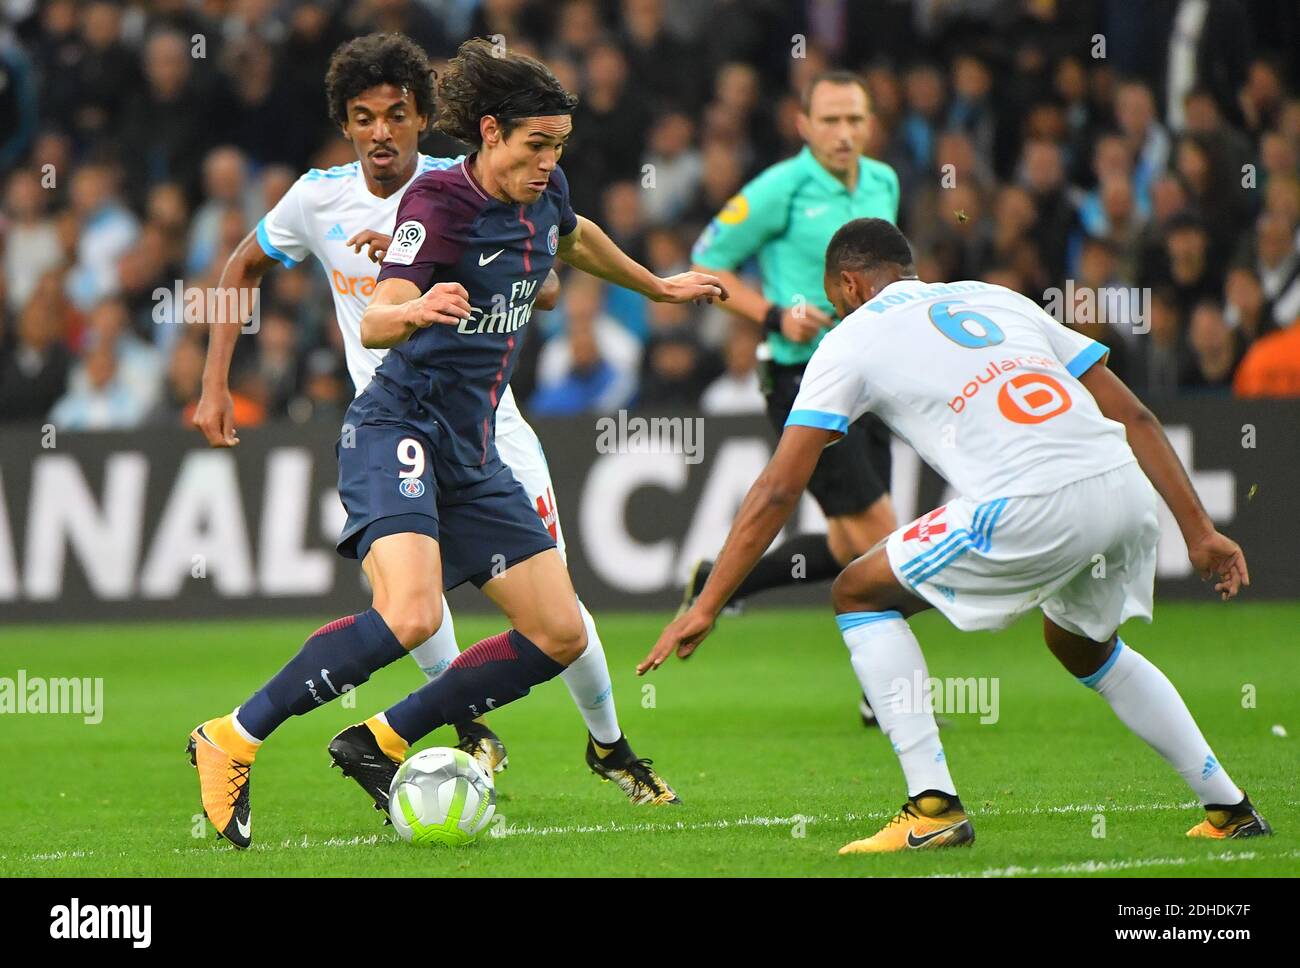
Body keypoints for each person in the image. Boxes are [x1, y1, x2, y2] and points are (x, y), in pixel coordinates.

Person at [186, 35, 721, 848]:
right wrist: (412, 308)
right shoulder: (435, 206)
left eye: (558, 147)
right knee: (408, 613)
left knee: (562, 631)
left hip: (476, 444)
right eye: (537, 144)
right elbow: (375, 315)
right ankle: (232, 736)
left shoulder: (541, 192)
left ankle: (381, 738)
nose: (549, 162)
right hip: (397, 425)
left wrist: (658, 285)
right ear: (493, 131)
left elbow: (571, 240)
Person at [641, 218, 1270, 854]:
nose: (836, 311)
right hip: (1122, 486)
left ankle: (932, 806)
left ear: (850, 285)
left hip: (1032, 498)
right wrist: (1200, 532)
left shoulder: (852, 336)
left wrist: (709, 602)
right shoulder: (995, 297)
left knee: (859, 591)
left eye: (835, 301)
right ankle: (1229, 807)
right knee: (1081, 645)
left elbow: (777, 489)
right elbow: (1133, 413)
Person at [686, 68, 901, 726]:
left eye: (855, 120)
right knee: (888, 544)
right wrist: (775, 314)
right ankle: (890, 698)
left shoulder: (884, 182)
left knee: (848, 548)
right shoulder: (781, 187)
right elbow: (709, 261)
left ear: (870, 125)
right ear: (803, 125)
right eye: (830, 120)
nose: (844, 133)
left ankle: (723, 581)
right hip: (806, 381)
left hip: (876, 379)